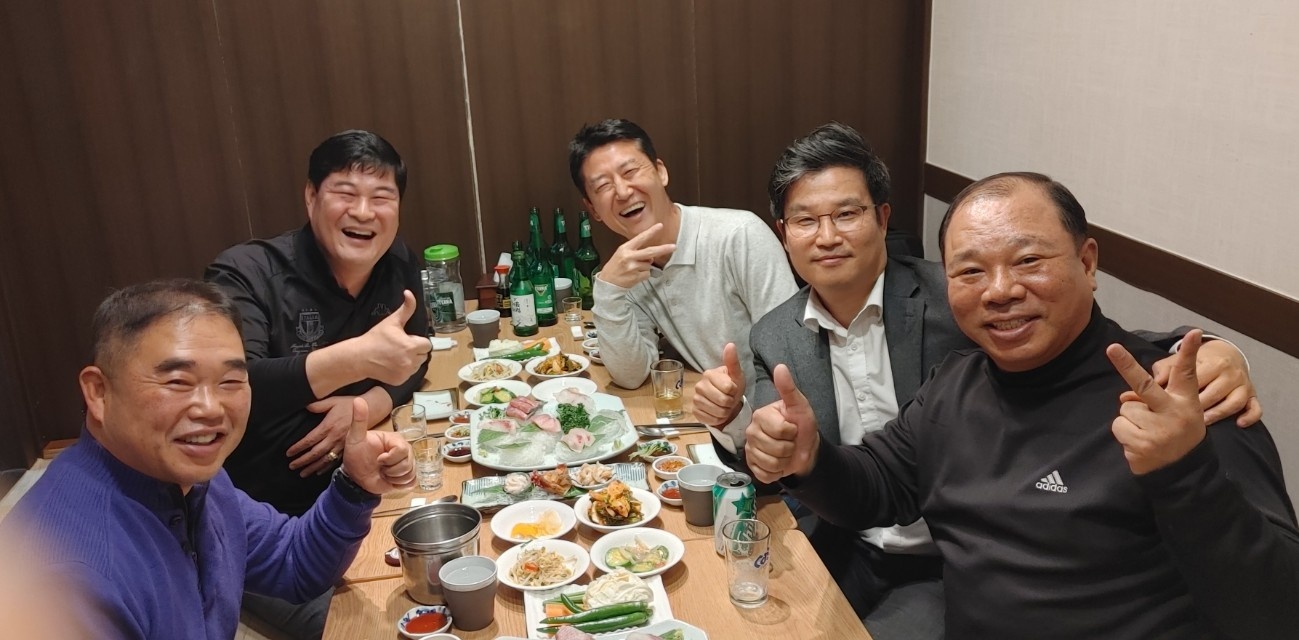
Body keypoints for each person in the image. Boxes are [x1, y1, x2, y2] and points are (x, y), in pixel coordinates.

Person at [694, 124, 1261, 638]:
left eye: (1028, 261)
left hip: (938, 568)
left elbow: (1269, 606)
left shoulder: (1175, 406)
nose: (999, 291)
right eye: (970, 270)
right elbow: (870, 479)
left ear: (1088, 263)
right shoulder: (947, 381)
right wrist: (803, 455)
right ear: (784, 232)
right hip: (862, 548)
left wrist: (1210, 358)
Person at [0, 279, 414, 640]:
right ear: (99, 392)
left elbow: (293, 562)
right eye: (178, 381)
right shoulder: (66, 575)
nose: (211, 408)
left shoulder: (190, 479)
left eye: (230, 381)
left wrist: (354, 485)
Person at [205, 129, 430, 637]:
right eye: (345, 193)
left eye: (381, 197)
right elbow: (231, 386)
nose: (363, 212)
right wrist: (356, 359)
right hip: (270, 530)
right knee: (377, 628)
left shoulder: (397, 263)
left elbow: (416, 355)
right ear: (311, 196)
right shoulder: (245, 274)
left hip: (362, 492)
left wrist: (368, 403)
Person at [567, 119, 796, 443]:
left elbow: (792, 355)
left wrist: (752, 432)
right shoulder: (627, 271)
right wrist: (607, 290)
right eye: (603, 186)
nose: (622, 191)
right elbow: (631, 376)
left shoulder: (739, 236)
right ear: (593, 209)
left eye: (630, 171)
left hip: (774, 432)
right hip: (718, 427)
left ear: (661, 172)